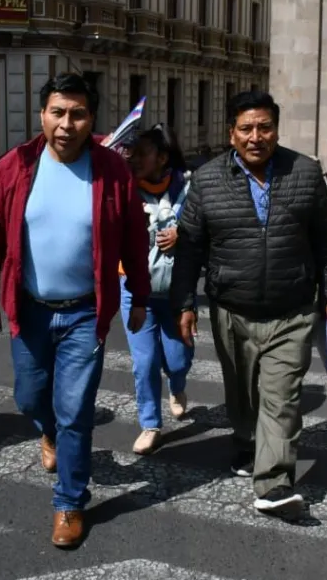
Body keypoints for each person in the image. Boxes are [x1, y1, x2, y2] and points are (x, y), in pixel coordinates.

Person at [0, 73, 151, 548]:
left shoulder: (112, 171)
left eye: (78, 114)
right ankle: (47, 432)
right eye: (57, 113)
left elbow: (134, 239)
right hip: (29, 309)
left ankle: (69, 502)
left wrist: (140, 295)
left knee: (75, 410)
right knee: (31, 398)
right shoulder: (15, 166)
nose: (66, 124)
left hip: (84, 315)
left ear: (91, 120)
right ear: (42, 115)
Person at [170, 90, 327, 517]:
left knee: (281, 399)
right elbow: (189, 248)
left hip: (293, 309)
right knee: (243, 396)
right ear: (231, 133)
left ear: (276, 130)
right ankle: (247, 442)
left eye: (264, 127)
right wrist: (184, 304)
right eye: (246, 128)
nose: (256, 137)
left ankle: (274, 484)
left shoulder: (304, 172)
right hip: (232, 310)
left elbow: (326, 239)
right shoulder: (207, 180)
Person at [119, 124, 194, 455]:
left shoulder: (187, 188)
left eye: (142, 153)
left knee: (178, 361)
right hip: (135, 291)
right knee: (145, 361)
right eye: (131, 154)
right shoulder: (124, 189)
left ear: (162, 158)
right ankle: (150, 424)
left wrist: (182, 233)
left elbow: (206, 226)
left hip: (176, 293)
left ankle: (177, 385)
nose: (134, 159)